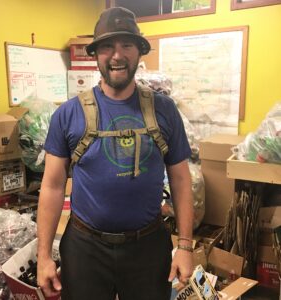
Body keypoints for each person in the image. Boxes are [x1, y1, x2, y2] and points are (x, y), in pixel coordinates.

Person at [37, 7, 194, 300]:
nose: (117, 55)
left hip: (148, 248)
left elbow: (181, 181)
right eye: (107, 46)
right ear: (96, 54)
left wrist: (185, 247)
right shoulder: (68, 114)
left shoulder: (165, 111)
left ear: (139, 51)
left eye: (126, 45)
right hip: (85, 249)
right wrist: (44, 255)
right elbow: (52, 186)